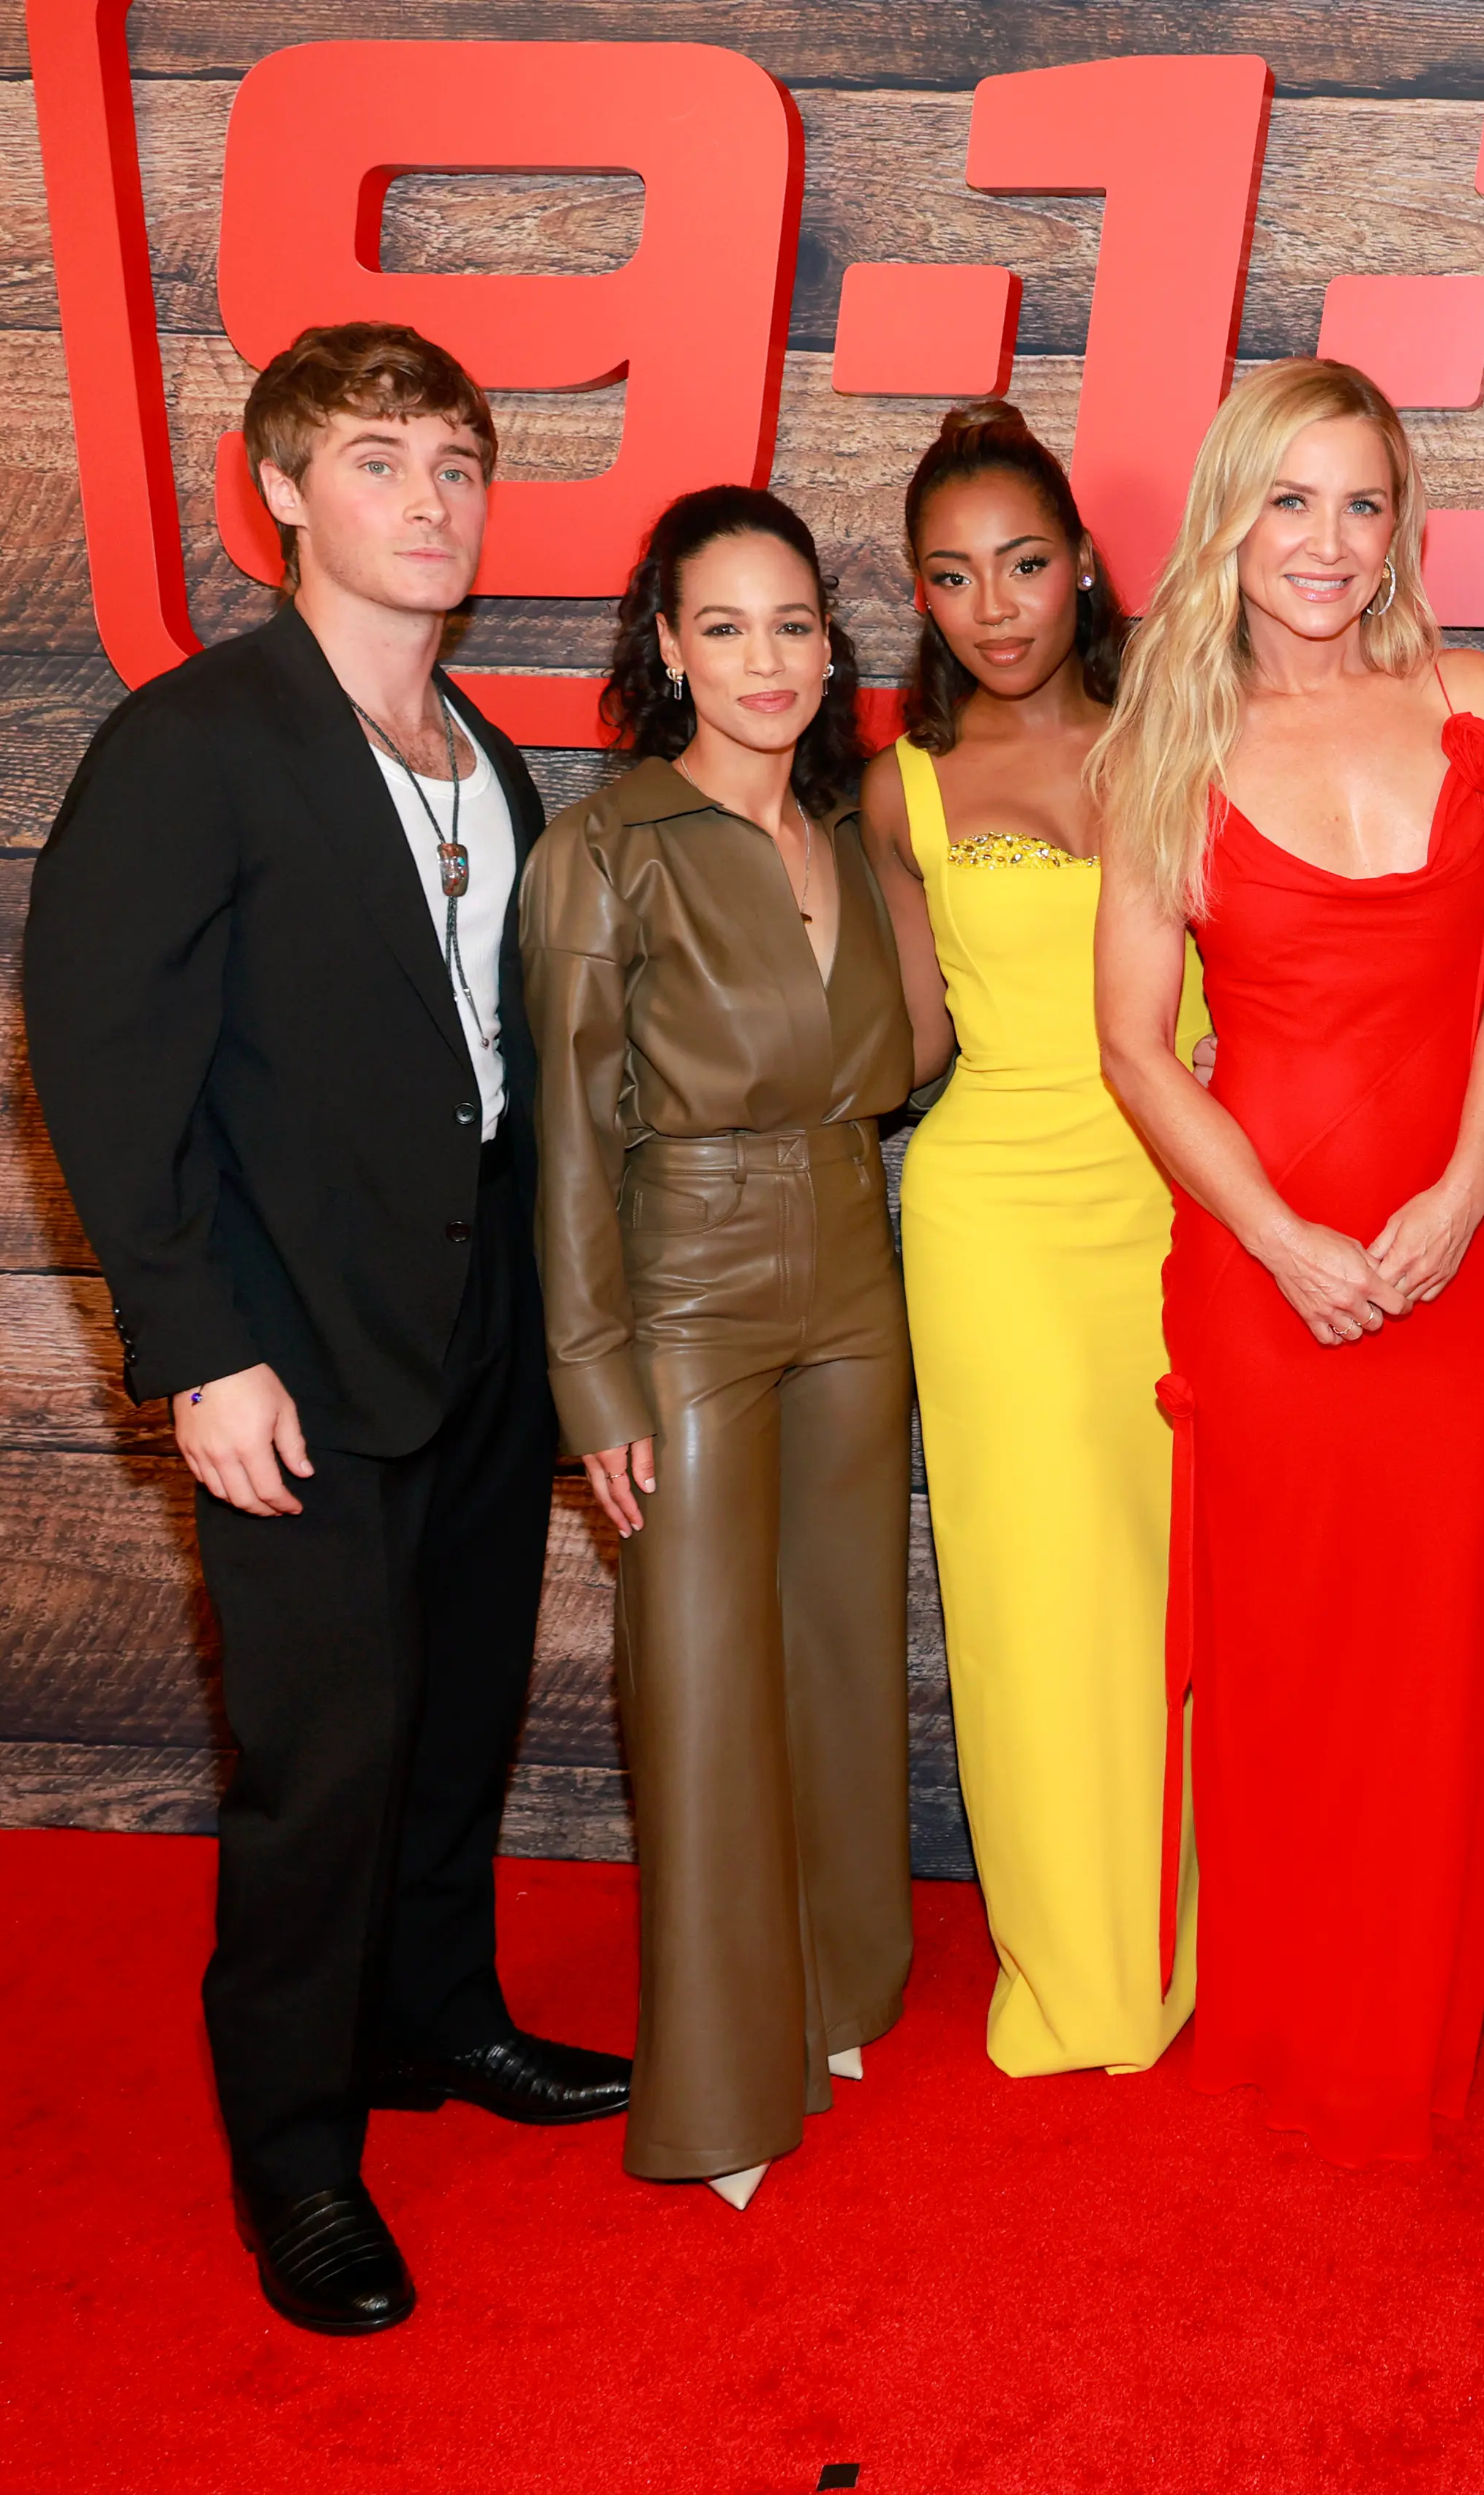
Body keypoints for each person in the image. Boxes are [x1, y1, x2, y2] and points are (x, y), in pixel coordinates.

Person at [23, 322, 628, 2335]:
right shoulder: (196, 743)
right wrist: (200, 1350)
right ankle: (295, 2158)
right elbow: (104, 1063)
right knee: (320, 1767)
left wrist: (558, 1341)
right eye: (382, 462)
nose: (432, 501)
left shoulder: (488, 756)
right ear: (277, 489)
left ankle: (436, 2024)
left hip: (470, 1347)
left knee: (455, 1725)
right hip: (286, 1359)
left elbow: (495, 1075)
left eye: (458, 462)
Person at [1092, 358, 1484, 2163]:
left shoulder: (1471, 705)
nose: (1326, 541)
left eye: (1360, 501)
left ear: (1401, 526)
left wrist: (1464, 1196)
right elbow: (1138, 1042)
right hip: (1258, 1250)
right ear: (1230, 515)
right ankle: (1287, 2014)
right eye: (1288, 500)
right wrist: (1285, 1239)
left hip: (1449, 1252)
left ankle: (1403, 2024)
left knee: (1423, 1639)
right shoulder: (1171, 738)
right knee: (1285, 1648)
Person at [523, 486, 916, 2211]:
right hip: (683, 1296)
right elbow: (562, 1138)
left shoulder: (853, 834)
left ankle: (832, 1990)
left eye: (796, 626)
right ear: (667, 647)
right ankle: (716, 2085)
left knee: (837, 1654)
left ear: (831, 651)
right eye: (727, 626)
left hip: (853, 1276)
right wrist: (591, 1371)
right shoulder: (605, 845)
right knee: (695, 1685)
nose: (768, 660)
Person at [857, 403, 1209, 2076]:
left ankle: (1186, 1935)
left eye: (1023, 562)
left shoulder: (1186, 738)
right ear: (918, 601)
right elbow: (912, 1044)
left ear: (1082, 566)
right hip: (990, 1216)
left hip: (1171, 1202)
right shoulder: (900, 792)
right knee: (1024, 1596)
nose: (996, 607)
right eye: (952, 578)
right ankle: (1076, 1965)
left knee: (1163, 1589)